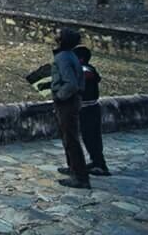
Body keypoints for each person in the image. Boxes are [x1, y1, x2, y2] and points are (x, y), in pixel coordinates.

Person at [51, 27, 90, 189]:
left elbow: (71, 83)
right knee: (68, 136)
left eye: (58, 35)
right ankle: (73, 168)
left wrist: (60, 96)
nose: (55, 36)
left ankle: (80, 177)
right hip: (72, 100)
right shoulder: (70, 55)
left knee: (71, 138)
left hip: (67, 102)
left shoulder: (62, 57)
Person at [73, 45, 111, 176]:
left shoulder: (85, 70)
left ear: (81, 59)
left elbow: (87, 75)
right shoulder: (86, 69)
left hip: (88, 110)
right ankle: (96, 162)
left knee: (91, 138)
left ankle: (100, 165)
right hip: (90, 109)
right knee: (90, 137)